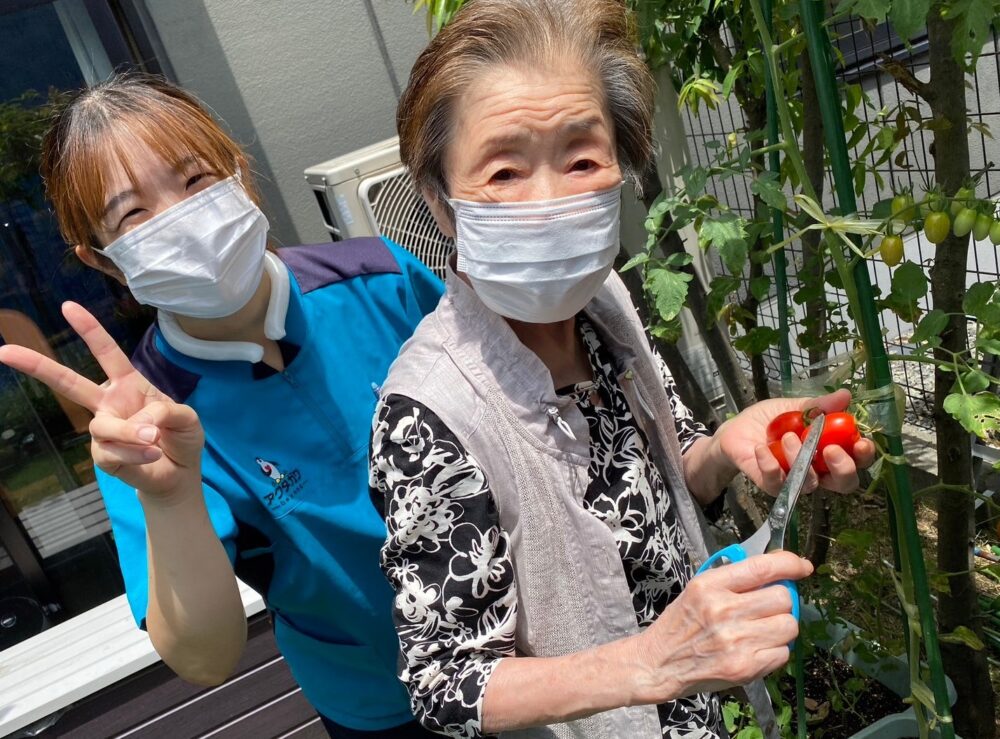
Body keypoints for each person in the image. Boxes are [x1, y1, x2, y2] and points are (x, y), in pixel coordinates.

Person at [368, 1, 876, 737]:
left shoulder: (604, 304)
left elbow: (656, 486)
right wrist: (650, 664)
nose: (550, 202)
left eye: (581, 159)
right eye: (505, 170)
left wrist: (724, 450)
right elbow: (445, 681)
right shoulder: (429, 412)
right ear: (440, 203)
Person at [0, 74, 443, 738]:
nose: (179, 216)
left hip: (530, 633)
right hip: (385, 703)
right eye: (133, 214)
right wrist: (171, 497)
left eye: (194, 178)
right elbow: (203, 655)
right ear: (104, 260)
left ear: (240, 174)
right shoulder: (148, 425)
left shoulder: (381, 277)